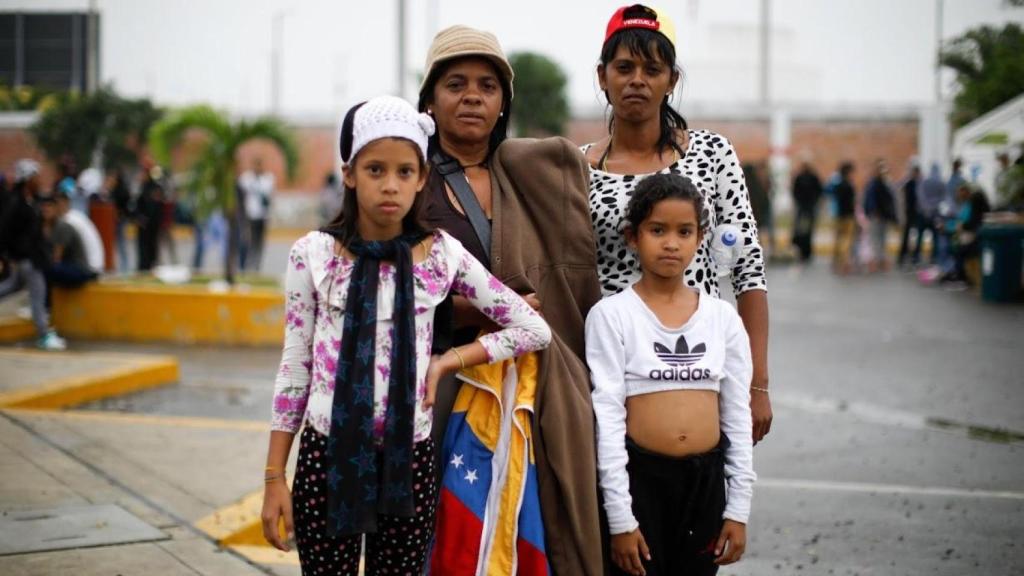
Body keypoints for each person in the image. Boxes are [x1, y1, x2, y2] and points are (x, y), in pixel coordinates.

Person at [259, 96, 551, 576]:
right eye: (375, 170)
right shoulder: (313, 255)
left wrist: (448, 360)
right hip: (327, 457)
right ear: (349, 173)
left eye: (403, 171)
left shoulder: (441, 256)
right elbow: (295, 368)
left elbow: (531, 328)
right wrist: (274, 476)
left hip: (408, 461)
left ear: (421, 179)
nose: (390, 186)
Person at [417, 25, 605, 575]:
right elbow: (387, 295)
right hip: (442, 390)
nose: (472, 96)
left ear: (503, 103)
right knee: (447, 539)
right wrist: (485, 311)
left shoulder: (529, 179)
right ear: (430, 97)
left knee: (529, 528)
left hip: (529, 390)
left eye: (487, 85)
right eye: (456, 83)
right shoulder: (412, 181)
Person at [582, 4, 771, 448]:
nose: (637, 80)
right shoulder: (577, 167)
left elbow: (748, 271)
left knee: (705, 498)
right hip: (615, 369)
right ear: (602, 76)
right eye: (624, 67)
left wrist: (757, 382)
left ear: (672, 80)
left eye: (653, 68)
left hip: (701, 365)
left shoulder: (712, 153)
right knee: (617, 505)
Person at [588, 173, 754, 575]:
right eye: (657, 230)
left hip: (704, 487)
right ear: (632, 237)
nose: (671, 243)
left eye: (684, 231)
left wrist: (738, 509)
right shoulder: (611, 316)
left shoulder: (722, 318)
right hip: (639, 481)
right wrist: (621, 519)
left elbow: (737, 416)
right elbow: (607, 417)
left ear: (700, 238)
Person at [0, 160, 66, 350]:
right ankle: (44, 336)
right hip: (27, 259)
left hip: (28, 258)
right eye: (35, 177)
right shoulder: (17, 203)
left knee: (11, 287)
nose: (39, 180)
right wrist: (10, 256)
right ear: (27, 179)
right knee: (38, 295)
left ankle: (44, 334)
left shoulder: (29, 201)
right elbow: (5, 231)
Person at [39, 193, 98, 288]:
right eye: (44, 207)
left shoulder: (64, 225)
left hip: (79, 268)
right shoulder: (45, 227)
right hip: (76, 266)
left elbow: (56, 257)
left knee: (47, 268)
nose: (46, 210)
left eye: (49, 206)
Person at [55, 189, 104, 275]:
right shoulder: (77, 215)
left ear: (64, 203)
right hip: (96, 266)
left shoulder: (69, 220)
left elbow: (58, 253)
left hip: (89, 268)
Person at [238, 157, 274, 272]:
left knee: (259, 243)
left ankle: (256, 267)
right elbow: (241, 193)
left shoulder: (268, 179)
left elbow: (270, 196)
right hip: (250, 215)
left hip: (263, 215)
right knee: (248, 241)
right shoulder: (246, 178)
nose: (258, 168)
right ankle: (245, 266)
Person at [862, 159, 897, 272]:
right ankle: (876, 261)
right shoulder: (873, 183)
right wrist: (872, 212)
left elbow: (890, 199)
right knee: (875, 238)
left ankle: (880, 260)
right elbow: (870, 200)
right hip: (876, 215)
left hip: (884, 215)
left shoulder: (885, 183)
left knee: (882, 238)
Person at [791, 161, 823, 263]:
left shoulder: (812, 177)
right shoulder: (800, 177)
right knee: (800, 230)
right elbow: (795, 191)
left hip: (809, 207)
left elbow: (819, 191)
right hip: (803, 207)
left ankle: (806, 252)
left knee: (807, 230)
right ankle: (802, 251)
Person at [832, 162, 856, 275]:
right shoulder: (848, 185)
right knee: (846, 240)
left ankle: (836, 262)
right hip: (847, 216)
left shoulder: (838, 184)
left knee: (838, 239)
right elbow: (851, 203)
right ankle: (844, 262)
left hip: (839, 215)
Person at [897, 164, 922, 268]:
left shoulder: (919, 184)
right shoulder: (909, 184)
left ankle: (914, 255)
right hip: (910, 213)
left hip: (916, 213)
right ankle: (903, 255)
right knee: (907, 235)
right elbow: (906, 200)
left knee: (916, 235)